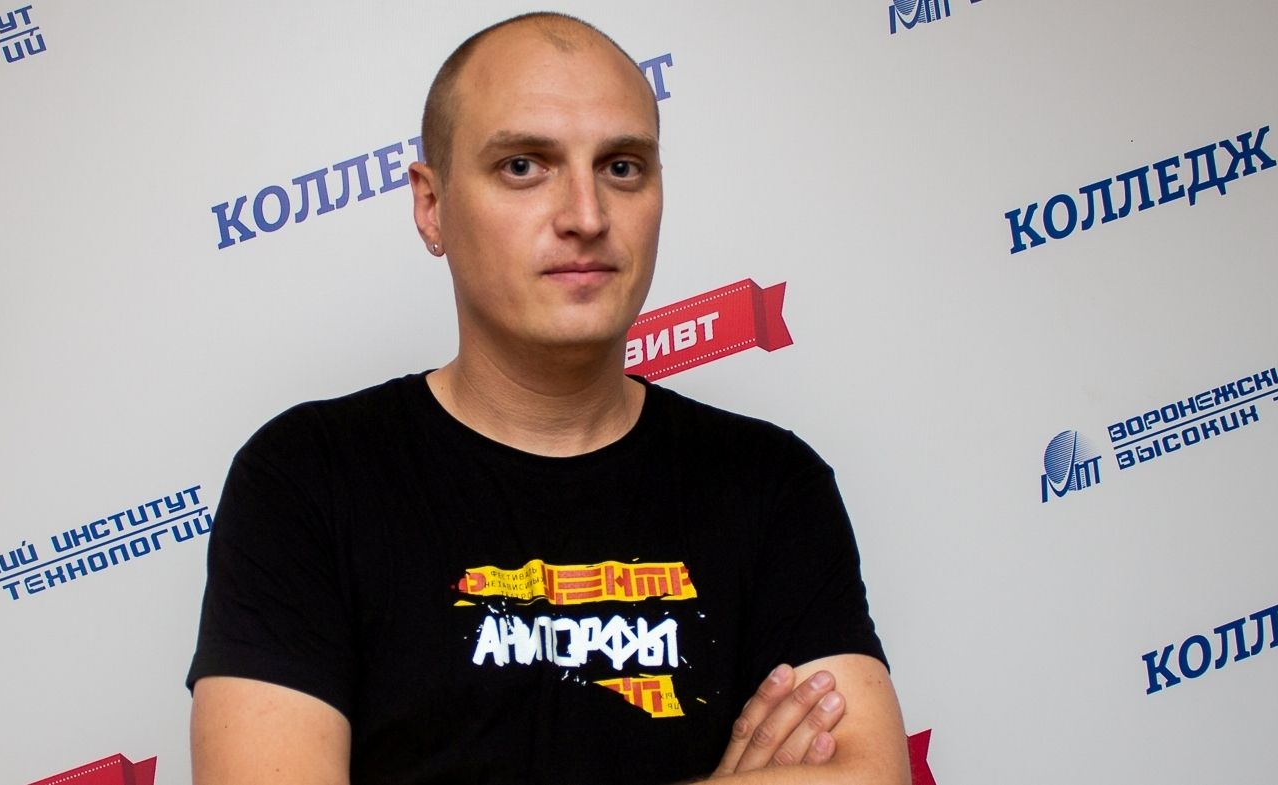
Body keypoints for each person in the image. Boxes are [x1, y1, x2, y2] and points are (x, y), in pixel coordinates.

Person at [187, 12, 909, 784]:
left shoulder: (770, 481)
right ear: (431, 205)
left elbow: (866, 773)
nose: (587, 217)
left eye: (622, 167)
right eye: (524, 166)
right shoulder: (306, 478)